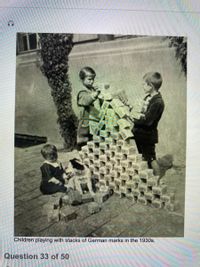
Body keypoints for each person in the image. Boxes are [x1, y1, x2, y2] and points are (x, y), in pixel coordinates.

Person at [131, 72, 165, 179]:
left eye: (144, 84)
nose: (142, 86)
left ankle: (158, 178)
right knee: (143, 157)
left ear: (151, 86)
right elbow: (142, 110)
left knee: (151, 158)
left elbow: (148, 121)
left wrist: (133, 118)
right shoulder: (148, 97)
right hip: (141, 134)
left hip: (148, 135)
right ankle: (148, 179)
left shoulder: (158, 102)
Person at [77, 66, 101, 149]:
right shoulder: (82, 92)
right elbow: (86, 101)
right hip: (86, 121)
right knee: (85, 141)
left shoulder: (92, 90)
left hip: (94, 119)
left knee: (95, 141)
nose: (92, 81)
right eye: (89, 79)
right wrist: (95, 94)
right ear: (82, 79)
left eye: (93, 79)